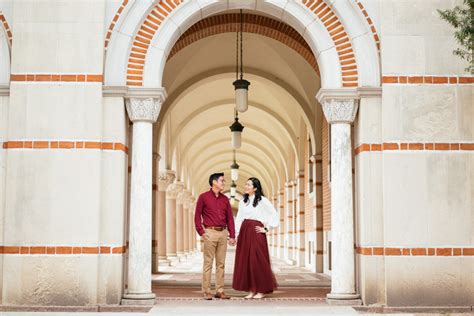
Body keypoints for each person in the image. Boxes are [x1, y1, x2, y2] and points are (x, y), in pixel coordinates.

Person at [232, 177, 279, 299]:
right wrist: (236, 235)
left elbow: (274, 214)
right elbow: (239, 219)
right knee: (247, 261)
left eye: (249, 185)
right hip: (245, 231)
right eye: (246, 184)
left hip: (257, 231)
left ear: (255, 188)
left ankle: (261, 290)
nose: (246, 186)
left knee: (257, 260)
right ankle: (252, 290)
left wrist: (267, 228)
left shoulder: (262, 200)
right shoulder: (243, 201)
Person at [195, 172, 236, 300]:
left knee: (221, 264)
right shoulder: (203, 197)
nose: (223, 183)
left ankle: (220, 290)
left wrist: (232, 235)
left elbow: (230, 219)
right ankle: (207, 291)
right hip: (210, 232)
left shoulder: (225, 199)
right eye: (222, 181)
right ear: (214, 182)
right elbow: (197, 216)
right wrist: (202, 232)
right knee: (208, 263)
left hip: (223, 233)